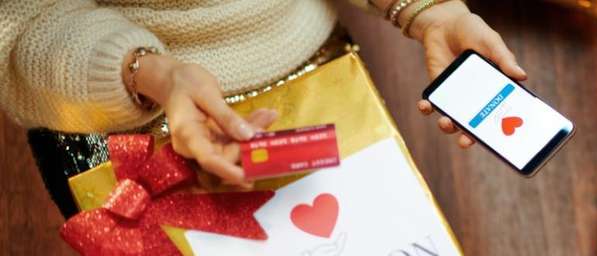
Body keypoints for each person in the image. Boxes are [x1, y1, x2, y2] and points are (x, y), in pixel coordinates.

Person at [0, 0, 526, 216]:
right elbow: (21, 24)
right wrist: (152, 74)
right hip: (114, 102)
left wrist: (426, 10)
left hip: (314, 70)